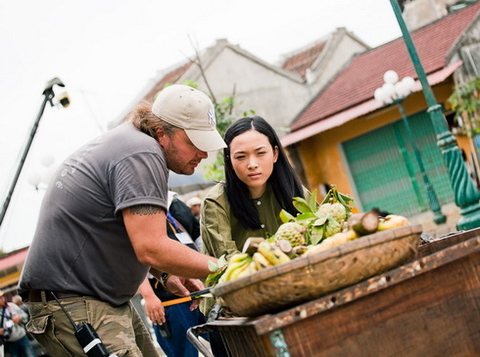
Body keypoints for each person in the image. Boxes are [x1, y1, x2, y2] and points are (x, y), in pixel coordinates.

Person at [18, 84, 226, 356]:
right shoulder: (142, 153)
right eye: (194, 143)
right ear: (163, 133)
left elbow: (122, 231)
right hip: (74, 304)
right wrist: (227, 268)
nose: (203, 153)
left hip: (96, 299)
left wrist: (164, 273)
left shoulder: (135, 145)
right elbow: (150, 246)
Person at [200, 115, 308, 355]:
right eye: (241, 156)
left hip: (293, 296)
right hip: (233, 311)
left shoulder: (297, 195)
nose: (252, 164)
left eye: (260, 153)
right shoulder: (216, 202)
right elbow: (230, 265)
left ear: (275, 154)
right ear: (229, 160)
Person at [138, 191, 209, 357]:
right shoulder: (138, 207)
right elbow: (134, 256)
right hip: (168, 301)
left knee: (226, 345)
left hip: (197, 293)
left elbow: (196, 233)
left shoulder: (173, 202)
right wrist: (149, 297)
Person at [0, 291, 35, 357]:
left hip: (22, 338)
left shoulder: (12, 306)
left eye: (2, 297)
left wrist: (19, 318)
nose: (2, 299)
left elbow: (25, 316)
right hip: (9, 342)